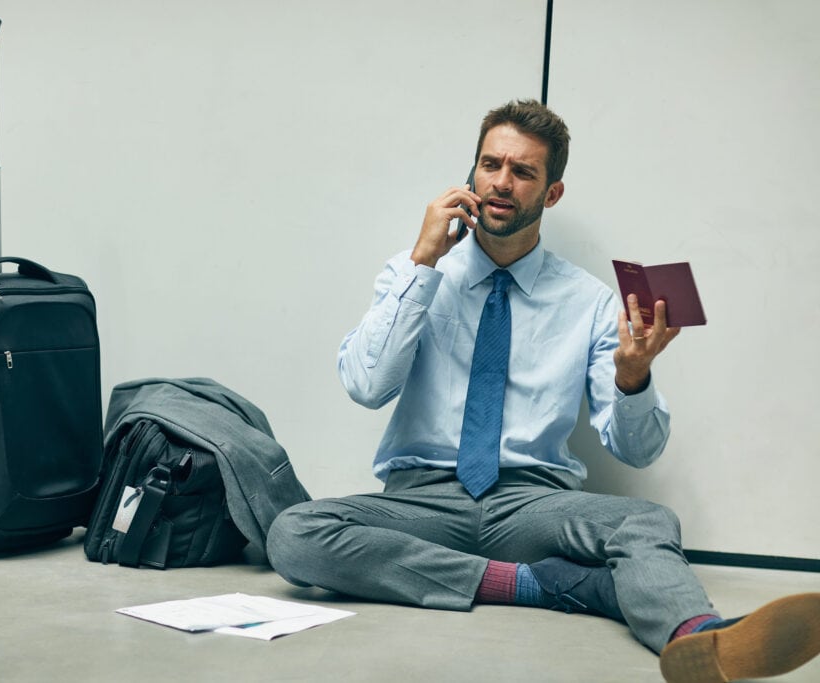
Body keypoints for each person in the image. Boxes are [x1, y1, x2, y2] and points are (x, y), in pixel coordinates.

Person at [266, 99, 820, 683]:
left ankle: (699, 638)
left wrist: (633, 377)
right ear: (472, 173)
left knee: (648, 520)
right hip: (422, 501)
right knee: (295, 534)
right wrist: (423, 261)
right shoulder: (414, 272)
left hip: (532, 505)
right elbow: (365, 386)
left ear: (551, 193)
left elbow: (637, 451)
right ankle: (541, 585)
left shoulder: (590, 301)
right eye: (490, 164)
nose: (501, 183)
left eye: (523, 171)